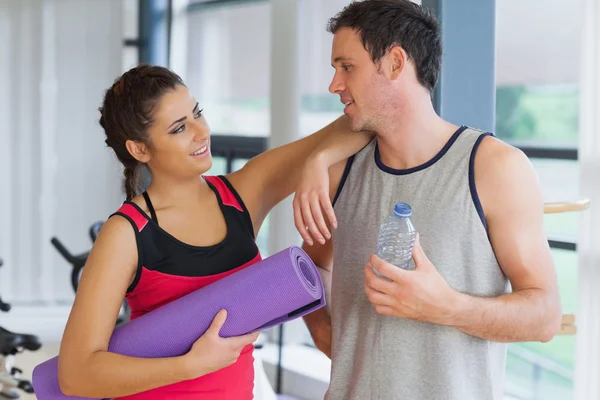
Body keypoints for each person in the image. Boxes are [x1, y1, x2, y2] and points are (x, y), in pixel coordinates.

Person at [294, 1, 563, 399]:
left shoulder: (495, 168)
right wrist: (327, 336)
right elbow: (311, 268)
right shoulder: (339, 172)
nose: (334, 84)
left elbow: (544, 317)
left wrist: (446, 306)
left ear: (396, 63)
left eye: (346, 67)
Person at [56, 64, 372, 400]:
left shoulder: (244, 193)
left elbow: (358, 125)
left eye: (197, 114)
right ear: (139, 149)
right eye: (179, 128)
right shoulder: (125, 234)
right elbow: (76, 376)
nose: (201, 132)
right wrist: (190, 365)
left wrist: (318, 161)